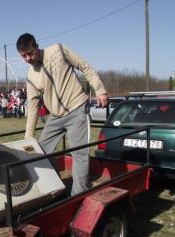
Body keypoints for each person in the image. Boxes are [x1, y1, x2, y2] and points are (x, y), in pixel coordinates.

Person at [16, 33, 108, 196]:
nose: (27, 59)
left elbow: (84, 66)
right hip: (55, 117)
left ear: (36, 46)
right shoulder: (31, 76)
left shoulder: (58, 50)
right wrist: (28, 136)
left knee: (79, 154)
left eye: (29, 53)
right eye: (23, 56)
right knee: (41, 152)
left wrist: (100, 90)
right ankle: (56, 188)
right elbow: (33, 106)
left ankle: (78, 196)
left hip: (77, 108)